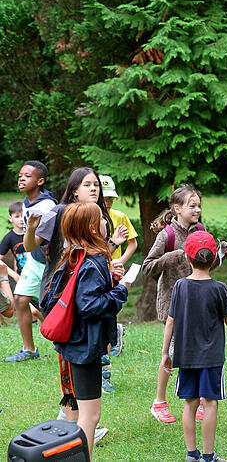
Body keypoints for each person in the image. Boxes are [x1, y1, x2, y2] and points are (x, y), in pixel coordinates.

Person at [26, 168, 129, 397]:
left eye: (96, 185)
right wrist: (31, 229)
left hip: (87, 290)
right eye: (87, 184)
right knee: (69, 349)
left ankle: (90, 392)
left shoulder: (97, 214)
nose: (94, 189)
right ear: (74, 189)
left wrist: (112, 250)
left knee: (91, 340)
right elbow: (30, 246)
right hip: (62, 294)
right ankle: (72, 405)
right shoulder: (60, 212)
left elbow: (94, 255)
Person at [40, 202, 129, 460]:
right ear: (92, 228)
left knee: (87, 414)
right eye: (101, 218)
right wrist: (121, 290)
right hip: (84, 347)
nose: (105, 222)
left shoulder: (76, 254)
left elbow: (82, 295)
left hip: (76, 343)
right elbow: (90, 306)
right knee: (90, 416)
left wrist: (111, 280)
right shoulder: (93, 261)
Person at [143, 185, 227, 424]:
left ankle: (201, 400)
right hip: (173, 303)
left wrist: (219, 255)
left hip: (197, 303)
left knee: (197, 351)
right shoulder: (167, 235)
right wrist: (173, 256)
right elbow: (147, 267)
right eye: (192, 206)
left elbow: (203, 266)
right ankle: (159, 402)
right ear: (177, 209)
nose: (197, 210)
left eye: (199, 205)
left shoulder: (200, 231)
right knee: (172, 354)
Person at [161, 231, 227, 462]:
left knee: (190, 403)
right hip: (211, 357)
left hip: (185, 355)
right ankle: (208, 456)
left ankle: (191, 454)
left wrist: (165, 353)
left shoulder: (179, 286)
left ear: (187, 258)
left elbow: (170, 321)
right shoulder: (219, 288)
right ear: (214, 258)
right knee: (210, 402)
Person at [6, 160, 57, 362]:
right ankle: (29, 349)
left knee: (52, 307)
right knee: (20, 299)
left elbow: (40, 240)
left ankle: (68, 342)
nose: (21, 179)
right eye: (20, 176)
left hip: (50, 264)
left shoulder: (47, 205)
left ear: (40, 181)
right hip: (34, 260)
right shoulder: (27, 202)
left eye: (27, 176)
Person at [100, 175, 134, 358]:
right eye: (104, 199)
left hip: (116, 271)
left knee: (113, 306)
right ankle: (110, 339)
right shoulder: (91, 217)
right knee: (103, 307)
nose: (108, 203)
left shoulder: (119, 216)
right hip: (98, 269)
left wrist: (121, 261)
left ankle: (113, 338)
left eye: (111, 198)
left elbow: (132, 243)